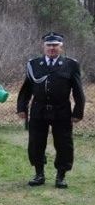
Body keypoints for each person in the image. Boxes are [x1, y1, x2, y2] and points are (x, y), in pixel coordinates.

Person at [16, 32, 85, 189]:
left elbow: (78, 91)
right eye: (49, 45)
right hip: (38, 111)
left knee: (64, 144)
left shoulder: (71, 65)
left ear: (61, 47)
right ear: (44, 47)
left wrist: (78, 112)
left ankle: (61, 176)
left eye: (55, 45)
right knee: (35, 143)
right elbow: (26, 88)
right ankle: (39, 174)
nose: (51, 48)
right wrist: (22, 107)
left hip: (61, 111)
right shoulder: (33, 64)